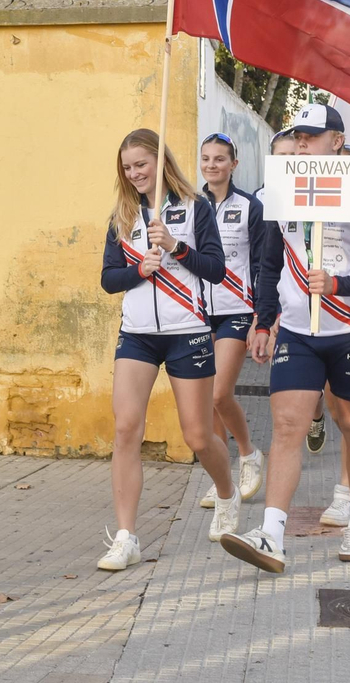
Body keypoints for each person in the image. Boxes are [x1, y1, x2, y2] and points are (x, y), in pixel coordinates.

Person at [219, 104, 350, 571]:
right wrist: (264, 320)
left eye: (311, 136)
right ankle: (271, 535)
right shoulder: (282, 197)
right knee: (286, 427)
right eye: (297, 136)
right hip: (299, 333)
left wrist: (339, 285)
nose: (301, 144)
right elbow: (269, 265)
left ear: (336, 142)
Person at [98, 128, 237, 569]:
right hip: (137, 334)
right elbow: (108, 279)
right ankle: (126, 536)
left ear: (160, 161)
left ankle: (228, 494)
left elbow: (216, 271)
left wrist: (176, 247)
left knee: (197, 435)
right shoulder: (121, 216)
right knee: (126, 429)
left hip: (187, 331)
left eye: (141, 163)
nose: (135, 173)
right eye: (127, 167)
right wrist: (139, 269)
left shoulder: (196, 208)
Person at [195, 132, 266, 509]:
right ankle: (222, 478)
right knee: (205, 399)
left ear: (233, 164)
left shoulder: (250, 207)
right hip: (195, 311)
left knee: (220, 392)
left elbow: (260, 264)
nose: (211, 165)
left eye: (219, 159)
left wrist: (260, 317)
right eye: (206, 158)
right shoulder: (188, 204)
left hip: (237, 309)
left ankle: (249, 454)